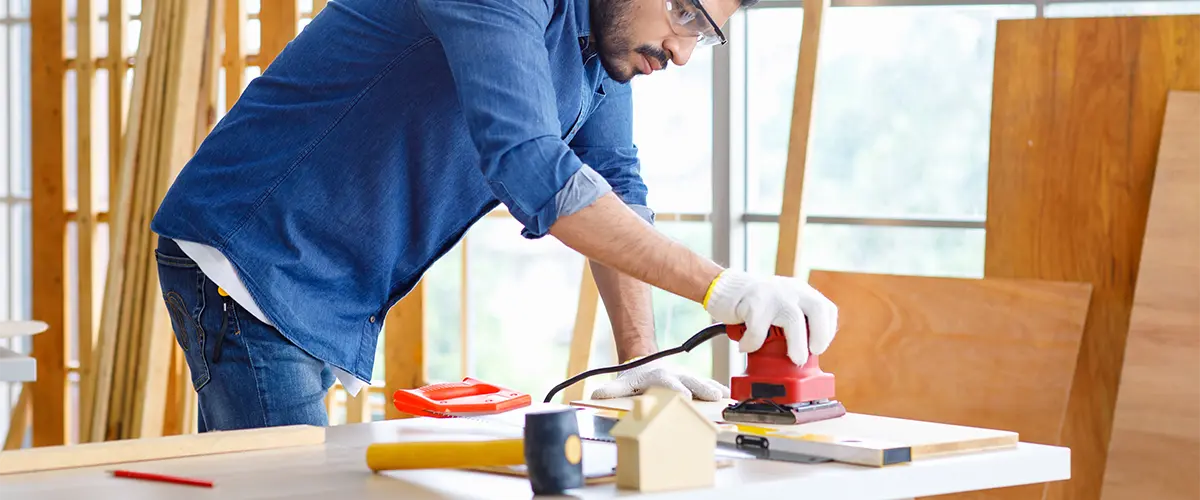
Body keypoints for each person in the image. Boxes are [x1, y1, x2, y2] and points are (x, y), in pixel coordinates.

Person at [149, 0, 838, 432]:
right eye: (685, 14)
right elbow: (534, 169)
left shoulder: (600, 37)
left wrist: (643, 357)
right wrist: (724, 288)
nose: (683, 51)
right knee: (283, 487)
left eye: (706, 37)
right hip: (252, 253)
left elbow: (614, 182)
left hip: (323, 275)